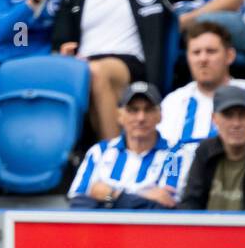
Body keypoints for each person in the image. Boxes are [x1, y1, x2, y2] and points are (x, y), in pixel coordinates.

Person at [54, 0, 222, 140]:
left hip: (131, 64)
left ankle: (114, 154)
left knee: (94, 72)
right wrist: (65, 52)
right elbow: (61, 40)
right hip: (85, 65)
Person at [157, 21, 245, 157]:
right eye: (196, 52)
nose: (203, 59)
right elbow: (163, 155)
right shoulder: (173, 102)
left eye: (211, 51)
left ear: (230, 56)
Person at [67, 81, 184, 209]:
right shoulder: (99, 152)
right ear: (120, 115)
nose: (141, 118)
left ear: (160, 115)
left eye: (148, 109)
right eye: (133, 110)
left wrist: (110, 195)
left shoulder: (174, 155)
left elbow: (166, 204)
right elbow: (78, 203)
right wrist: (141, 197)